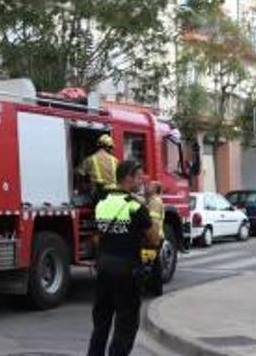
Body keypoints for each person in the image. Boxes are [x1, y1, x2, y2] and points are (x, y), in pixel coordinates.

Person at [88, 161, 151, 356]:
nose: (142, 181)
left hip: (104, 269)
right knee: (125, 324)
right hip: (127, 271)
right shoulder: (135, 207)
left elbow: (97, 236)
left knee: (101, 323)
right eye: (139, 176)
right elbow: (154, 237)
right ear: (128, 178)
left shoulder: (101, 204)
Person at [140, 181, 165, 296]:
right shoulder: (152, 201)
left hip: (153, 238)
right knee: (154, 264)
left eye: (149, 186)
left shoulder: (155, 202)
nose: (146, 186)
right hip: (155, 238)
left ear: (155, 190)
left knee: (149, 264)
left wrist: (150, 237)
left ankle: (153, 289)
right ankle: (155, 289)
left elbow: (153, 221)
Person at [79, 134, 120, 201]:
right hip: (114, 192)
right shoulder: (115, 160)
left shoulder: (90, 159)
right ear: (107, 147)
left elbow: (80, 173)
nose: (112, 150)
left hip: (98, 193)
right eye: (111, 147)